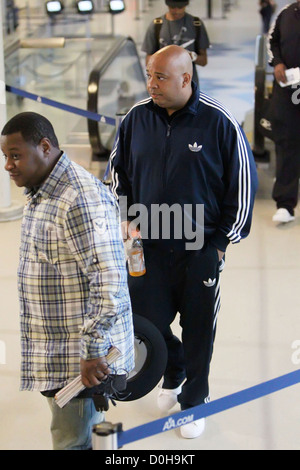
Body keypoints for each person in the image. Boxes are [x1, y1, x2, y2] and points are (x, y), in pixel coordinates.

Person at [110, 45, 258, 439]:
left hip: (201, 248)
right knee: (150, 324)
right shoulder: (136, 119)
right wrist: (126, 218)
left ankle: (195, 398)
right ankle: (172, 371)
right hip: (149, 248)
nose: (151, 84)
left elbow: (243, 186)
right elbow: (117, 174)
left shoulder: (218, 121)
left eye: (159, 76)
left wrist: (221, 244)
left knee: (198, 329)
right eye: (148, 74)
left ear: (185, 79)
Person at [1, 112, 134, 450]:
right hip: (60, 352)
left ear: (45, 147)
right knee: (78, 436)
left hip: (83, 362)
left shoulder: (79, 198)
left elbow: (109, 281)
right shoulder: (44, 191)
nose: (8, 166)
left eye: (15, 155)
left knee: (73, 441)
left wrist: (92, 352)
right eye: (5, 156)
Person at [268, 1, 300, 223]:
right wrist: (278, 63)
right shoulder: (286, 14)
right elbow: (273, 42)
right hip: (288, 89)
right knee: (287, 142)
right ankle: (285, 205)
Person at [141, 0, 210, 84]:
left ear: (186, 5)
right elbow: (148, 61)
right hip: (162, 84)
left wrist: (192, 56)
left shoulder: (196, 24)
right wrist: (163, 59)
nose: (176, 11)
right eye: (172, 7)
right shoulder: (157, 25)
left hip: (188, 84)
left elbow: (203, 61)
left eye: (180, 7)